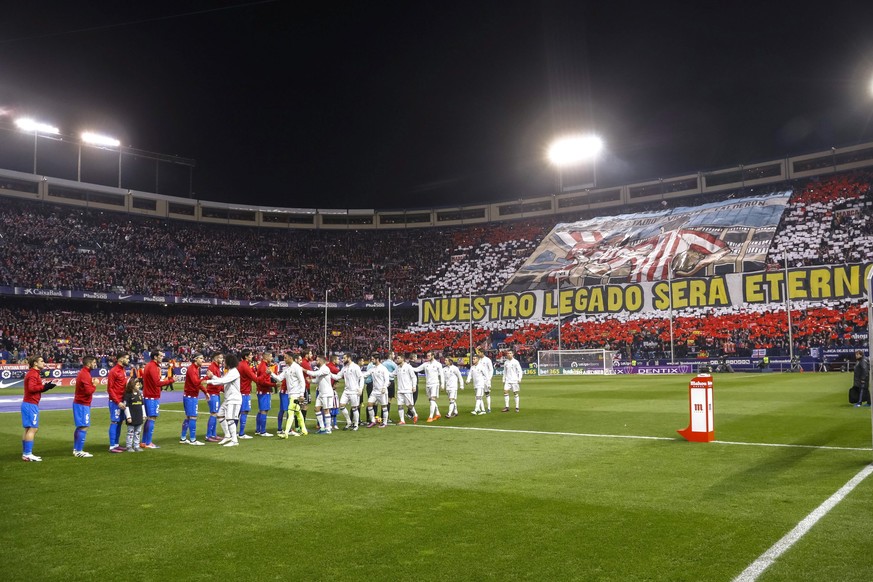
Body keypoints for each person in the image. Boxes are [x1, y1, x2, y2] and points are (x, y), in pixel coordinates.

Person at [21, 355, 57, 462]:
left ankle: (26, 453)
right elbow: (32, 388)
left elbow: (34, 389)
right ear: (35, 363)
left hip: (28, 403)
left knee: (28, 429)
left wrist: (45, 387)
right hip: (31, 404)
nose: (43, 362)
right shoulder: (33, 374)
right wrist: (44, 387)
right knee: (33, 428)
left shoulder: (33, 373)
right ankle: (27, 454)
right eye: (41, 361)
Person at [141, 350, 175, 449]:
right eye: (160, 356)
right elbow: (157, 383)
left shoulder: (150, 366)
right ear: (155, 357)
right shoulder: (153, 366)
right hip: (152, 396)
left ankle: (144, 442)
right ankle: (148, 442)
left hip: (149, 395)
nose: (162, 357)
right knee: (152, 418)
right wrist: (171, 380)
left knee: (149, 418)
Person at [206, 353, 242, 447]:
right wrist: (213, 376)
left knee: (230, 418)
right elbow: (222, 380)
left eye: (225, 360)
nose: (223, 362)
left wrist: (208, 381)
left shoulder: (234, 372)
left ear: (229, 362)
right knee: (220, 415)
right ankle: (227, 435)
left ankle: (234, 441)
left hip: (234, 399)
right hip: (228, 399)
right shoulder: (230, 372)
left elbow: (222, 381)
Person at [273, 352, 308, 437]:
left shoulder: (297, 367)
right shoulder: (287, 368)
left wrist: (301, 394)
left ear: (290, 358)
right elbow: (279, 378)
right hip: (290, 394)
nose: (284, 360)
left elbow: (302, 381)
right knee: (298, 413)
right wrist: (271, 373)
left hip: (296, 394)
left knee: (290, 412)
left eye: (285, 358)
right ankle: (304, 430)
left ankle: (286, 433)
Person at [72, 355, 98, 457]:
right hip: (82, 404)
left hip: (81, 403)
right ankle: (79, 451)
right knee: (84, 426)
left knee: (81, 426)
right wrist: (95, 384)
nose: (96, 364)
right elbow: (88, 391)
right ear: (89, 363)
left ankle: (76, 449)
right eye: (94, 362)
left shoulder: (84, 373)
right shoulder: (85, 374)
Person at [180, 354, 208, 445]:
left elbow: (198, 383)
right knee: (193, 417)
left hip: (190, 396)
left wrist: (205, 391)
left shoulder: (196, 368)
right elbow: (196, 382)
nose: (203, 360)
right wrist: (207, 377)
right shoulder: (192, 369)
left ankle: (183, 438)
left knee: (188, 417)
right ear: (195, 359)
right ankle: (193, 440)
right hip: (191, 397)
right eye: (201, 358)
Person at [303, 355, 335, 434]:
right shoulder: (321, 369)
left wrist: (304, 370)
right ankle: (322, 427)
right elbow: (317, 380)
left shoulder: (325, 369)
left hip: (327, 393)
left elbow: (315, 374)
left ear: (321, 361)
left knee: (326, 410)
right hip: (321, 393)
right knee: (316, 409)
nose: (316, 362)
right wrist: (311, 381)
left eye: (317, 360)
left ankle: (328, 428)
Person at [106, 352, 131, 453]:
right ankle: (112, 446)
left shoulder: (123, 370)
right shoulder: (114, 371)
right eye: (127, 358)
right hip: (116, 402)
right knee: (115, 421)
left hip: (122, 400)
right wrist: (117, 402)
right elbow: (110, 389)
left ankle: (116, 444)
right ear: (121, 359)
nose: (128, 360)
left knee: (119, 422)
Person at [411, 351, 444, 422]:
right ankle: (437, 413)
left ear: (433, 356)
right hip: (428, 384)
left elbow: (441, 374)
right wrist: (408, 367)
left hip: (435, 384)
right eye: (427, 356)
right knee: (431, 400)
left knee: (432, 400)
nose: (428, 357)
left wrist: (442, 384)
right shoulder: (425, 364)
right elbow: (417, 369)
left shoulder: (438, 364)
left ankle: (430, 417)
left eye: (429, 356)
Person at [334, 353, 364, 430]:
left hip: (354, 391)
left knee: (354, 408)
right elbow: (338, 376)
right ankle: (349, 422)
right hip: (346, 390)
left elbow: (361, 377)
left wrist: (360, 388)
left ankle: (356, 425)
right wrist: (329, 374)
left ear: (349, 358)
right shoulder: (344, 368)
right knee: (341, 405)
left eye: (344, 358)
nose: (343, 360)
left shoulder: (355, 367)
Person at [362, 353, 390, 428]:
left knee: (384, 406)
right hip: (374, 391)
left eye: (373, 359)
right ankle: (373, 421)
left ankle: (384, 422)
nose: (372, 361)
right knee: (369, 404)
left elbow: (387, 380)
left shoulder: (383, 368)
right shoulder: (372, 368)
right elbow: (365, 374)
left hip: (382, 391)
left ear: (377, 359)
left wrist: (384, 387)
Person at [237, 349, 260, 438]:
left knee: (237, 413)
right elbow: (255, 379)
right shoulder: (245, 366)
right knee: (244, 411)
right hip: (244, 392)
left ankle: (234, 432)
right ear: (246, 356)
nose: (252, 356)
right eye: (250, 355)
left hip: (239, 391)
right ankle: (241, 433)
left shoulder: (240, 364)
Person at [392, 353, 419, 425]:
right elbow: (392, 374)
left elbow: (414, 377)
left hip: (407, 390)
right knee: (400, 405)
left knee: (409, 405)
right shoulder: (397, 368)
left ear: (402, 359)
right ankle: (402, 420)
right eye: (396, 358)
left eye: (398, 358)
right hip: (400, 390)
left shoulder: (408, 367)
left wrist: (414, 386)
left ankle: (415, 414)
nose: (397, 360)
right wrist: (384, 371)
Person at [255, 351, 277, 436]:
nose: (272, 358)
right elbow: (263, 382)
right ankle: (263, 431)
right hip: (264, 391)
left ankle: (258, 429)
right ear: (266, 357)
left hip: (261, 391)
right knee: (264, 410)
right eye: (270, 357)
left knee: (261, 410)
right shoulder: (263, 367)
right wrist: (274, 384)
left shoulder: (262, 366)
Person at [205, 353, 224, 442]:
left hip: (216, 393)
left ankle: (213, 434)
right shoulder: (212, 367)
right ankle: (208, 435)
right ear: (215, 358)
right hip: (212, 393)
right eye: (220, 357)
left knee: (215, 414)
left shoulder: (216, 367)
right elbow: (212, 381)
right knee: (213, 413)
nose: (222, 359)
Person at [123, 377, 145, 452]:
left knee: (138, 432)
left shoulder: (140, 394)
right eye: (137, 385)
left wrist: (144, 414)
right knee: (131, 432)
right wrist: (128, 417)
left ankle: (136, 445)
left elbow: (142, 405)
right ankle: (129, 446)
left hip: (139, 416)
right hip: (132, 417)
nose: (139, 386)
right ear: (132, 386)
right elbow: (126, 406)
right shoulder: (128, 395)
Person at [477, 348, 494, 413]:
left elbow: (491, 369)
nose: (478, 354)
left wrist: (489, 378)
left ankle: (489, 408)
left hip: (486, 379)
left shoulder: (487, 360)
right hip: (479, 379)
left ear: (482, 353)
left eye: (479, 352)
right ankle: (480, 408)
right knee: (479, 394)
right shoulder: (478, 360)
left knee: (487, 393)